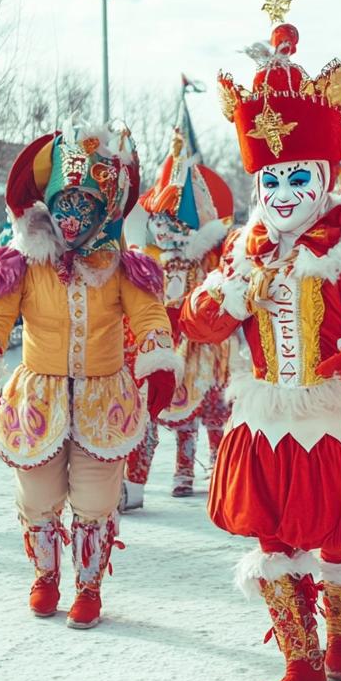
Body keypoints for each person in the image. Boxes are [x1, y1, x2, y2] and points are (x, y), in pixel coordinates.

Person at [181, 0, 341, 681]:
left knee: (337, 536)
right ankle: (302, 656)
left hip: (334, 414)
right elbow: (202, 322)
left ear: (323, 177)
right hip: (265, 416)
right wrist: (215, 303)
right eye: (271, 180)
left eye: (297, 177)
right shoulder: (245, 246)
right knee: (273, 536)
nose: (284, 192)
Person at [0, 124, 178, 630]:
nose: (72, 217)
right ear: (49, 205)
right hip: (40, 395)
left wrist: (158, 358)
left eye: (85, 207)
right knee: (37, 495)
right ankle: (45, 575)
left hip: (105, 397)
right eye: (64, 205)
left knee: (96, 499)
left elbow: (149, 317)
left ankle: (88, 584)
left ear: (105, 210)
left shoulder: (124, 265)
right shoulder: (26, 260)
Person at [128, 128, 236, 500]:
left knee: (214, 410)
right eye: (159, 226)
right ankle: (184, 470)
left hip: (208, 344)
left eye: (170, 225)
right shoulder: (158, 261)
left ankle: (220, 466)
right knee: (183, 412)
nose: (162, 232)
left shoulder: (209, 257)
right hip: (176, 343)